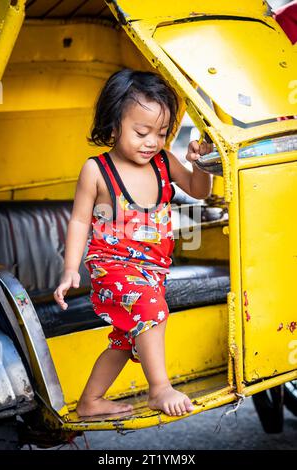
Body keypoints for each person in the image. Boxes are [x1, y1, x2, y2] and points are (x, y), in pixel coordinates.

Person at [53, 68, 213, 418]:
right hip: (112, 266)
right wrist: (69, 270)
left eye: (160, 132)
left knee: (126, 342)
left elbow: (199, 190)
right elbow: (80, 220)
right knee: (152, 311)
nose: (152, 142)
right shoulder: (97, 170)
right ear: (114, 126)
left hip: (152, 270)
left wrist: (199, 163)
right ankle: (160, 389)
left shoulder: (164, 163)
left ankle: (90, 401)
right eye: (142, 132)